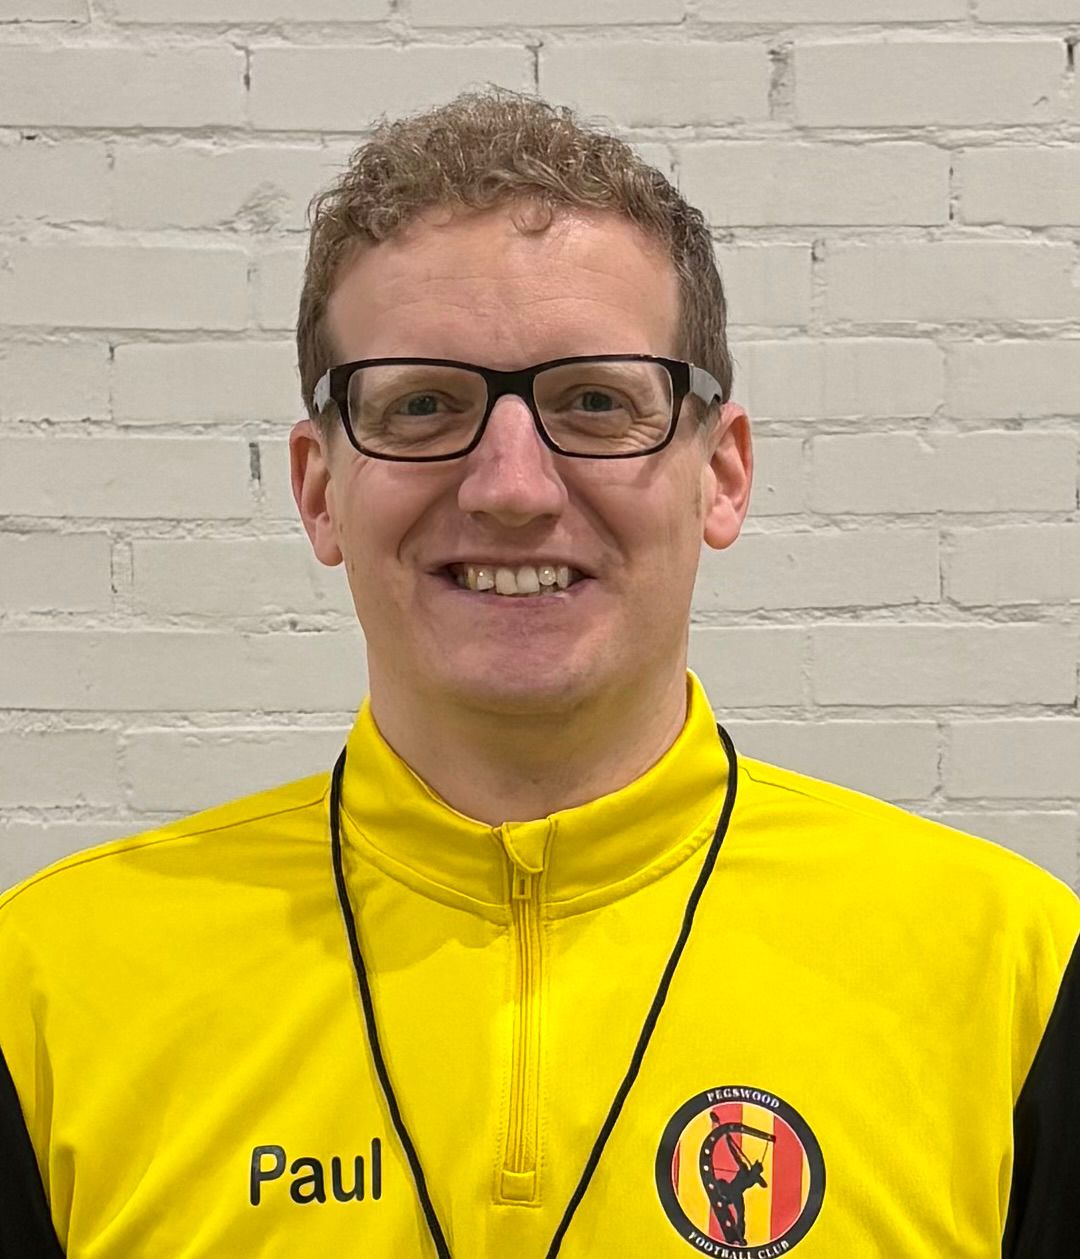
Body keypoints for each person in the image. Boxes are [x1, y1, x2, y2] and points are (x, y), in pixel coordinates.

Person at [0, 87, 1076, 1259]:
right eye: (422, 404)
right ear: (318, 490)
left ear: (721, 474)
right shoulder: (48, 987)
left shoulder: (1013, 973)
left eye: (596, 402)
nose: (511, 486)